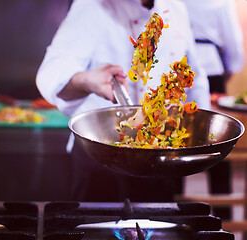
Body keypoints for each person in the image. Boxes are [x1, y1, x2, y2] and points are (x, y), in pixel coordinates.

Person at [36, 0, 211, 202]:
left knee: (160, 229)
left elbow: (195, 76)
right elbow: (51, 73)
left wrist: (201, 131)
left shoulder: (175, 6)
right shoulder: (92, 5)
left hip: (162, 159)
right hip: (101, 159)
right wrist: (87, 80)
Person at [182, 0, 245, 219]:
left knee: (176, 142)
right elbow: (233, 46)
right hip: (212, 69)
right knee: (218, 144)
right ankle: (223, 218)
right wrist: (228, 71)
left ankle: (175, 215)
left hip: (178, 70)